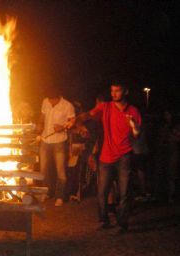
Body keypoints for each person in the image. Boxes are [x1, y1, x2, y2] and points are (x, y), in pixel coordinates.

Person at [69, 80, 141, 233]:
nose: (114, 94)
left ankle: (122, 224)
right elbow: (88, 114)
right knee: (102, 192)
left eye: (117, 91)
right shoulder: (106, 107)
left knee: (124, 192)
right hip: (106, 157)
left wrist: (134, 125)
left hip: (124, 156)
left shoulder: (133, 111)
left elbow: (137, 134)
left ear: (125, 92)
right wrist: (76, 120)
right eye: (112, 91)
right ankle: (104, 220)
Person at [37, 91, 75, 206]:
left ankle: (60, 196)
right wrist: (39, 125)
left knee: (60, 171)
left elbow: (72, 121)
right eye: (49, 99)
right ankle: (47, 192)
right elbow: (42, 116)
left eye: (52, 99)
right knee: (43, 170)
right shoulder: (45, 101)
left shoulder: (67, 105)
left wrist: (63, 127)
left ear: (58, 96)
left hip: (59, 141)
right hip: (45, 140)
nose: (50, 101)